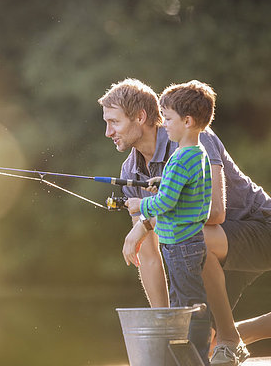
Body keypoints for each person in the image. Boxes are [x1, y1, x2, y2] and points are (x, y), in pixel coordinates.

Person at [98, 78, 271, 366]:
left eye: (113, 122)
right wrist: (167, 330)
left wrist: (145, 221)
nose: (108, 132)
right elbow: (149, 256)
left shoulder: (195, 138)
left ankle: (229, 339)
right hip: (212, 251)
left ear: (140, 117)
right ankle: (230, 338)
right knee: (199, 339)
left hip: (260, 229)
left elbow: (215, 213)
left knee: (190, 237)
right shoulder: (130, 169)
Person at [121, 80, 214, 364]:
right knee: (184, 301)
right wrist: (163, 182)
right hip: (190, 242)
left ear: (187, 121)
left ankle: (197, 356)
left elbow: (164, 203)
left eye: (169, 119)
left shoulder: (179, 157)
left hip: (180, 246)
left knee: (189, 306)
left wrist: (140, 205)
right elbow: (188, 190)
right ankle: (187, 354)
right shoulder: (197, 154)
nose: (165, 124)